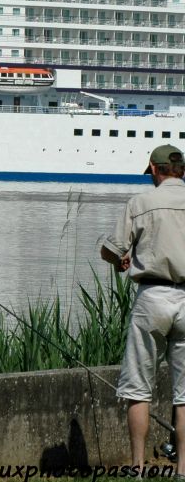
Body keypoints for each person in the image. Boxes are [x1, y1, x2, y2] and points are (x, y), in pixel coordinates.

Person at [101, 144, 185, 475]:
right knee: (184, 395)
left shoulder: (140, 203)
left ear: (154, 169)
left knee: (138, 389)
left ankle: (136, 469)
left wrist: (120, 260)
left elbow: (113, 249)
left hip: (153, 297)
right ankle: (182, 471)